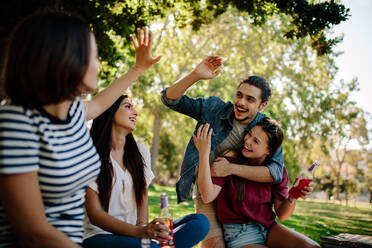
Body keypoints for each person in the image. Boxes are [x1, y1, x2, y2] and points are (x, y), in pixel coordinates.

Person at [0, 11, 161, 247]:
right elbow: (33, 232)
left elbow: (101, 102)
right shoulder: (16, 121)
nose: (98, 64)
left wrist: (138, 68)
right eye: (93, 56)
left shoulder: (74, 111)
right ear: (64, 58)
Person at [161, 56, 284, 247]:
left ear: (262, 105)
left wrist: (230, 169)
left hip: (239, 198)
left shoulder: (266, 128)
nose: (241, 102)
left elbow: (275, 172)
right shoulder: (214, 109)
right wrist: (195, 75)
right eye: (239, 95)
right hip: (208, 191)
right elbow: (170, 99)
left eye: (250, 99)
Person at [83, 95, 209, 248]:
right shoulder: (90, 154)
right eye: (128, 106)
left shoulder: (140, 152)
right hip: (99, 236)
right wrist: (140, 232)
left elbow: (142, 201)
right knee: (152, 247)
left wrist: (146, 230)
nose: (135, 112)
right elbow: (95, 215)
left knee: (200, 223)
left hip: (136, 233)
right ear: (109, 111)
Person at [193, 118, 320, 248]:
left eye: (256, 141)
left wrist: (293, 197)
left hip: (269, 228)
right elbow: (207, 195)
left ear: (268, 150)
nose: (247, 141)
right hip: (240, 232)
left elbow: (282, 215)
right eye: (249, 134)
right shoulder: (231, 159)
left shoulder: (277, 171)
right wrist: (204, 153)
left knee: (311, 246)